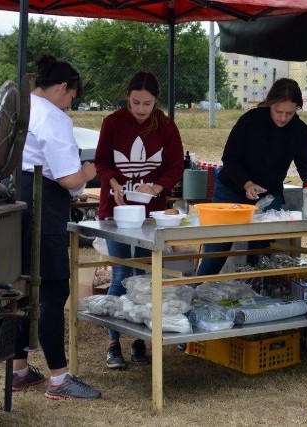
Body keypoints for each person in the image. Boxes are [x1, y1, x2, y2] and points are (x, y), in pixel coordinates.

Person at [12, 54, 101, 400]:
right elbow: (67, 178)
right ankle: (59, 378)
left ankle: (19, 369)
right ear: (63, 87)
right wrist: (88, 174)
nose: (69, 104)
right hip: (42, 205)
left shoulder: (21, 107)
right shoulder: (53, 117)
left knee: (19, 289)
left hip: (14, 202)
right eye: (71, 97)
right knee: (52, 290)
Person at [95, 71, 184, 369]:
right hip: (116, 211)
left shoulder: (167, 126)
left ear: (156, 101)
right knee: (121, 276)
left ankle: (139, 340)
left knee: (145, 280)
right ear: (127, 98)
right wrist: (113, 183)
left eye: (147, 103)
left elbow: (174, 167)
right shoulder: (112, 123)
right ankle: (113, 342)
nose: (141, 109)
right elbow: (102, 162)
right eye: (136, 103)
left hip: (151, 214)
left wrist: (157, 187)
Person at [196, 78, 307, 276]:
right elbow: (230, 158)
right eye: (278, 111)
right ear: (270, 104)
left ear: (297, 108)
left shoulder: (300, 130)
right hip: (232, 190)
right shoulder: (250, 120)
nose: (283, 118)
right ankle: (196, 290)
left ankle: (257, 298)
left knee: (261, 255)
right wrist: (247, 183)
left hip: (269, 194)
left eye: (290, 113)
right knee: (216, 253)